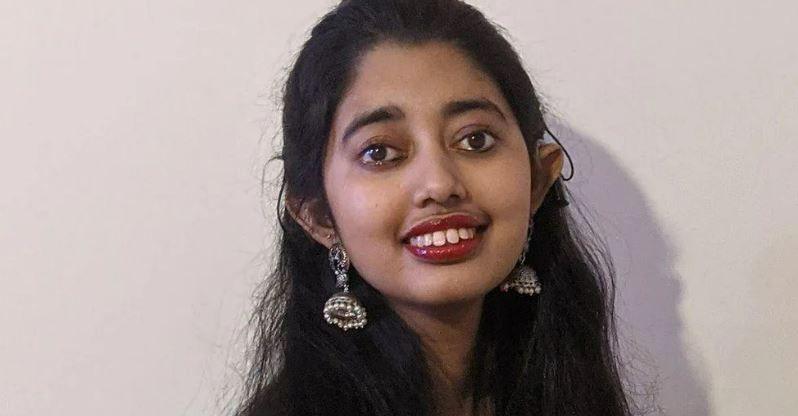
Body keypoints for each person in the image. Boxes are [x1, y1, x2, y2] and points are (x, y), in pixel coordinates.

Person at [238, 0, 631, 415]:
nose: (439, 184)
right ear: (318, 216)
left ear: (538, 179)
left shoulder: (571, 394)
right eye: (380, 152)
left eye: (475, 140)